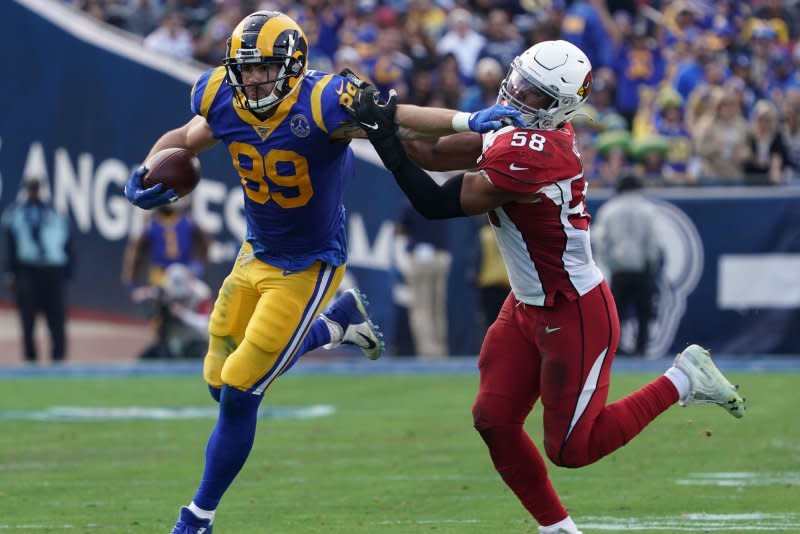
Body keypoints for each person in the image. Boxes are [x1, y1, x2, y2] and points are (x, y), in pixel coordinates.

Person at [121, 10, 520, 532]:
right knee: (218, 380)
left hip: (309, 265)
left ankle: (198, 515)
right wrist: (146, 169)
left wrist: (466, 120)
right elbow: (186, 137)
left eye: (265, 68)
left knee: (242, 388)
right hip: (254, 252)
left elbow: (396, 117)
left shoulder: (327, 100)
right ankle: (336, 326)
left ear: (292, 65)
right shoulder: (222, 93)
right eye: (246, 68)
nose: (254, 78)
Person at [346, 39, 746, 534]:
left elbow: (435, 202)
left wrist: (383, 137)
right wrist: (371, 117)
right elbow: (429, 151)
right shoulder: (519, 128)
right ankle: (558, 529)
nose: (516, 98)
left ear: (558, 107)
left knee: (572, 450)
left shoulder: (540, 152)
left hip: (573, 310)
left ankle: (683, 378)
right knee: (493, 419)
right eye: (518, 83)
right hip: (526, 304)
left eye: (533, 95)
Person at [2, 178, 73, 364]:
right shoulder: (15, 215)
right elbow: (11, 246)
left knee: (56, 318)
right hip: (28, 271)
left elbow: (68, 243)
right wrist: (11, 273)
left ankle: (58, 358)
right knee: (27, 320)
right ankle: (30, 359)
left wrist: (67, 271)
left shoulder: (55, 214)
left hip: (52, 271)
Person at [592, 175, 660, 356]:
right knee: (643, 312)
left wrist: (610, 264)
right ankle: (641, 348)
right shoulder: (648, 209)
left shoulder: (609, 210)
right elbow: (653, 243)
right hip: (641, 270)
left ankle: (616, 348)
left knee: (617, 313)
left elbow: (601, 242)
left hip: (619, 270)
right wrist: (650, 265)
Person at [395, 201, 451, 359]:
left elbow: (400, 230)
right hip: (441, 256)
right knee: (437, 307)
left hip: (420, 257)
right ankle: (440, 349)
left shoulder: (412, 204)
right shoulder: (441, 202)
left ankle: (427, 351)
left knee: (421, 307)